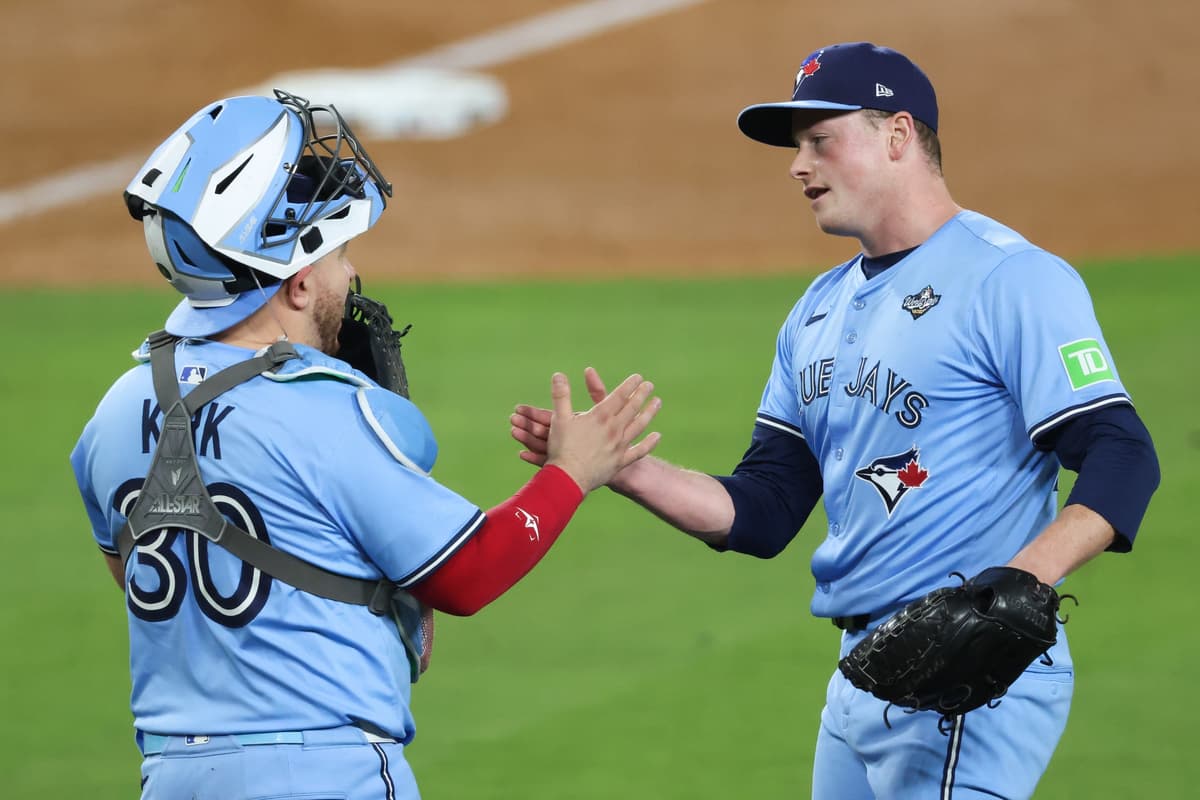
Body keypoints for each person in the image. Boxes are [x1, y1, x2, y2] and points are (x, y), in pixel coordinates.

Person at [511, 42, 1159, 799]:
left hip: (971, 678)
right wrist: (619, 467)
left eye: (821, 139)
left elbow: (1122, 453)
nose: (798, 164)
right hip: (863, 678)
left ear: (898, 136)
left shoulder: (1011, 280)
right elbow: (764, 510)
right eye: (796, 146)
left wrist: (1020, 581)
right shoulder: (817, 310)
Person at [69, 89, 661, 800]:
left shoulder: (112, 414)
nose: (349, 278)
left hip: (172, 776)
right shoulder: (322, 411)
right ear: (295, 284)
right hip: (323, 774)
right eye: (340, 254)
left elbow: (139, 573)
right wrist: (573, 470)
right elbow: (467, 574)